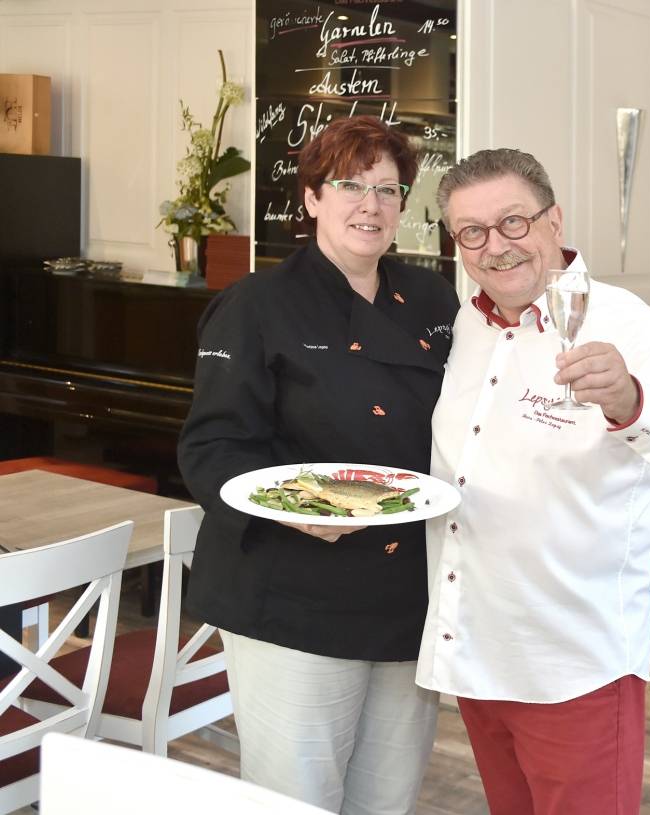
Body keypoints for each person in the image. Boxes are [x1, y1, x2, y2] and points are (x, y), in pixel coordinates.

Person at [415, 148, 650, 814]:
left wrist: (631, 399)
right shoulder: (464, 325)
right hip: (476, 650)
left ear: (554, 220)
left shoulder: (628, 324)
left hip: (573, 666)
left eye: (513, 222)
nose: (495, 247)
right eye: (471, 232)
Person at [177, 116, 458, 815]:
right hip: (291, 593)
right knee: (295, 798)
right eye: (350, 185)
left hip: (405, 590)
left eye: (389, 190)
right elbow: (211, 449)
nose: (371, 205)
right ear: (310, 199)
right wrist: (295, 511)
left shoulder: (432, 298)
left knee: (385, 797)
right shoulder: (255, 305)